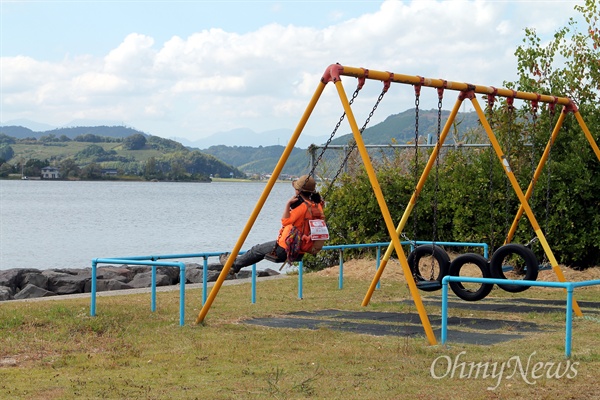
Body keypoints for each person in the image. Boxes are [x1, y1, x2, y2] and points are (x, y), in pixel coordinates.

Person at [219, 174, 325, 275]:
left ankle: (233, 265)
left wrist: (288, 204)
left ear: (298, 191)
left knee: (256, 250)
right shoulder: (317, 206)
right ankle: (237, 261)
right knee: (259, 251)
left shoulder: (301, 208)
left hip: (285, 248)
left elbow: (285, 221)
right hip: (300, 249)